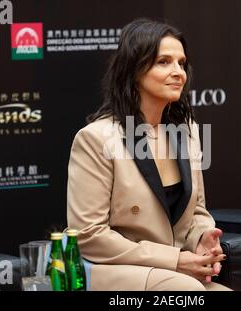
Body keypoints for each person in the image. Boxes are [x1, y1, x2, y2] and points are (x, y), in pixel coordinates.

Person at [67, 18, 230, 291]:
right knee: (186, 291)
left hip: (173, 272)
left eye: (181, 63)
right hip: (115, 271)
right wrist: (175, 259)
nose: (178, 71)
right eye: (163, 62)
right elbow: (89, 235)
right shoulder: (96, 138)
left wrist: (202, 237)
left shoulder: (186, 131)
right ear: (134, 70)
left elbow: (197, 210)